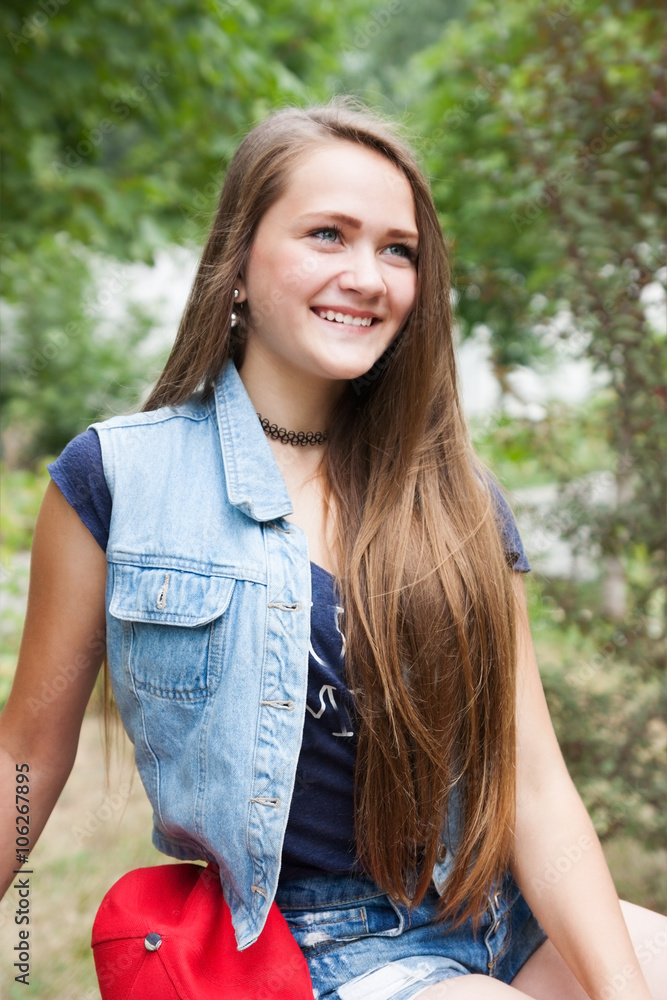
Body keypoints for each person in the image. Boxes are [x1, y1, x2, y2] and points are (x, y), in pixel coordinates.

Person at [0, 97, 664, 1000]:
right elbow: (28, 759)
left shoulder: (458, 498)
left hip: (497, 916)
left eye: (398, 250)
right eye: (327, 234)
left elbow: (536, 789)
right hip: (312, 947)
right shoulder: (118, 476)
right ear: (236, 262)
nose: (368, 275)